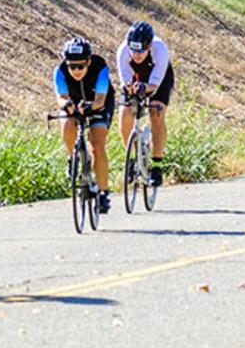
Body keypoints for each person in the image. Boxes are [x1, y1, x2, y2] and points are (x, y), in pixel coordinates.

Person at [53, 37, 115, 213]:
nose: (76, 70)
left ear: (88, 61)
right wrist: (66, 105)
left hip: (98, 102)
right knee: (66, 124)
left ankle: (103, 192)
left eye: (81, 66)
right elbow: (61, 97)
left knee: (97, 144)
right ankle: (73, 158)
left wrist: (90, 106)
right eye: (72, 66)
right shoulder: (60, 71)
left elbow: (101, 99)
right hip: (74, 101)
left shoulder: (100, 67)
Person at [116, 21, 174, 187]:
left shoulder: (160, 49)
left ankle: (157, 164)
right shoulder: (122, 51)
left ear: (149, 46)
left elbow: (155, 85)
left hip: (158, 79)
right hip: (137, 77)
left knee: (157, 112)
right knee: (125, 113)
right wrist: (131, 88)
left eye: (141, 50)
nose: (137, 54)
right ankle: (132, 159)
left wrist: (146, 88)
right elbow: (126, 82)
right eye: (133, 49)